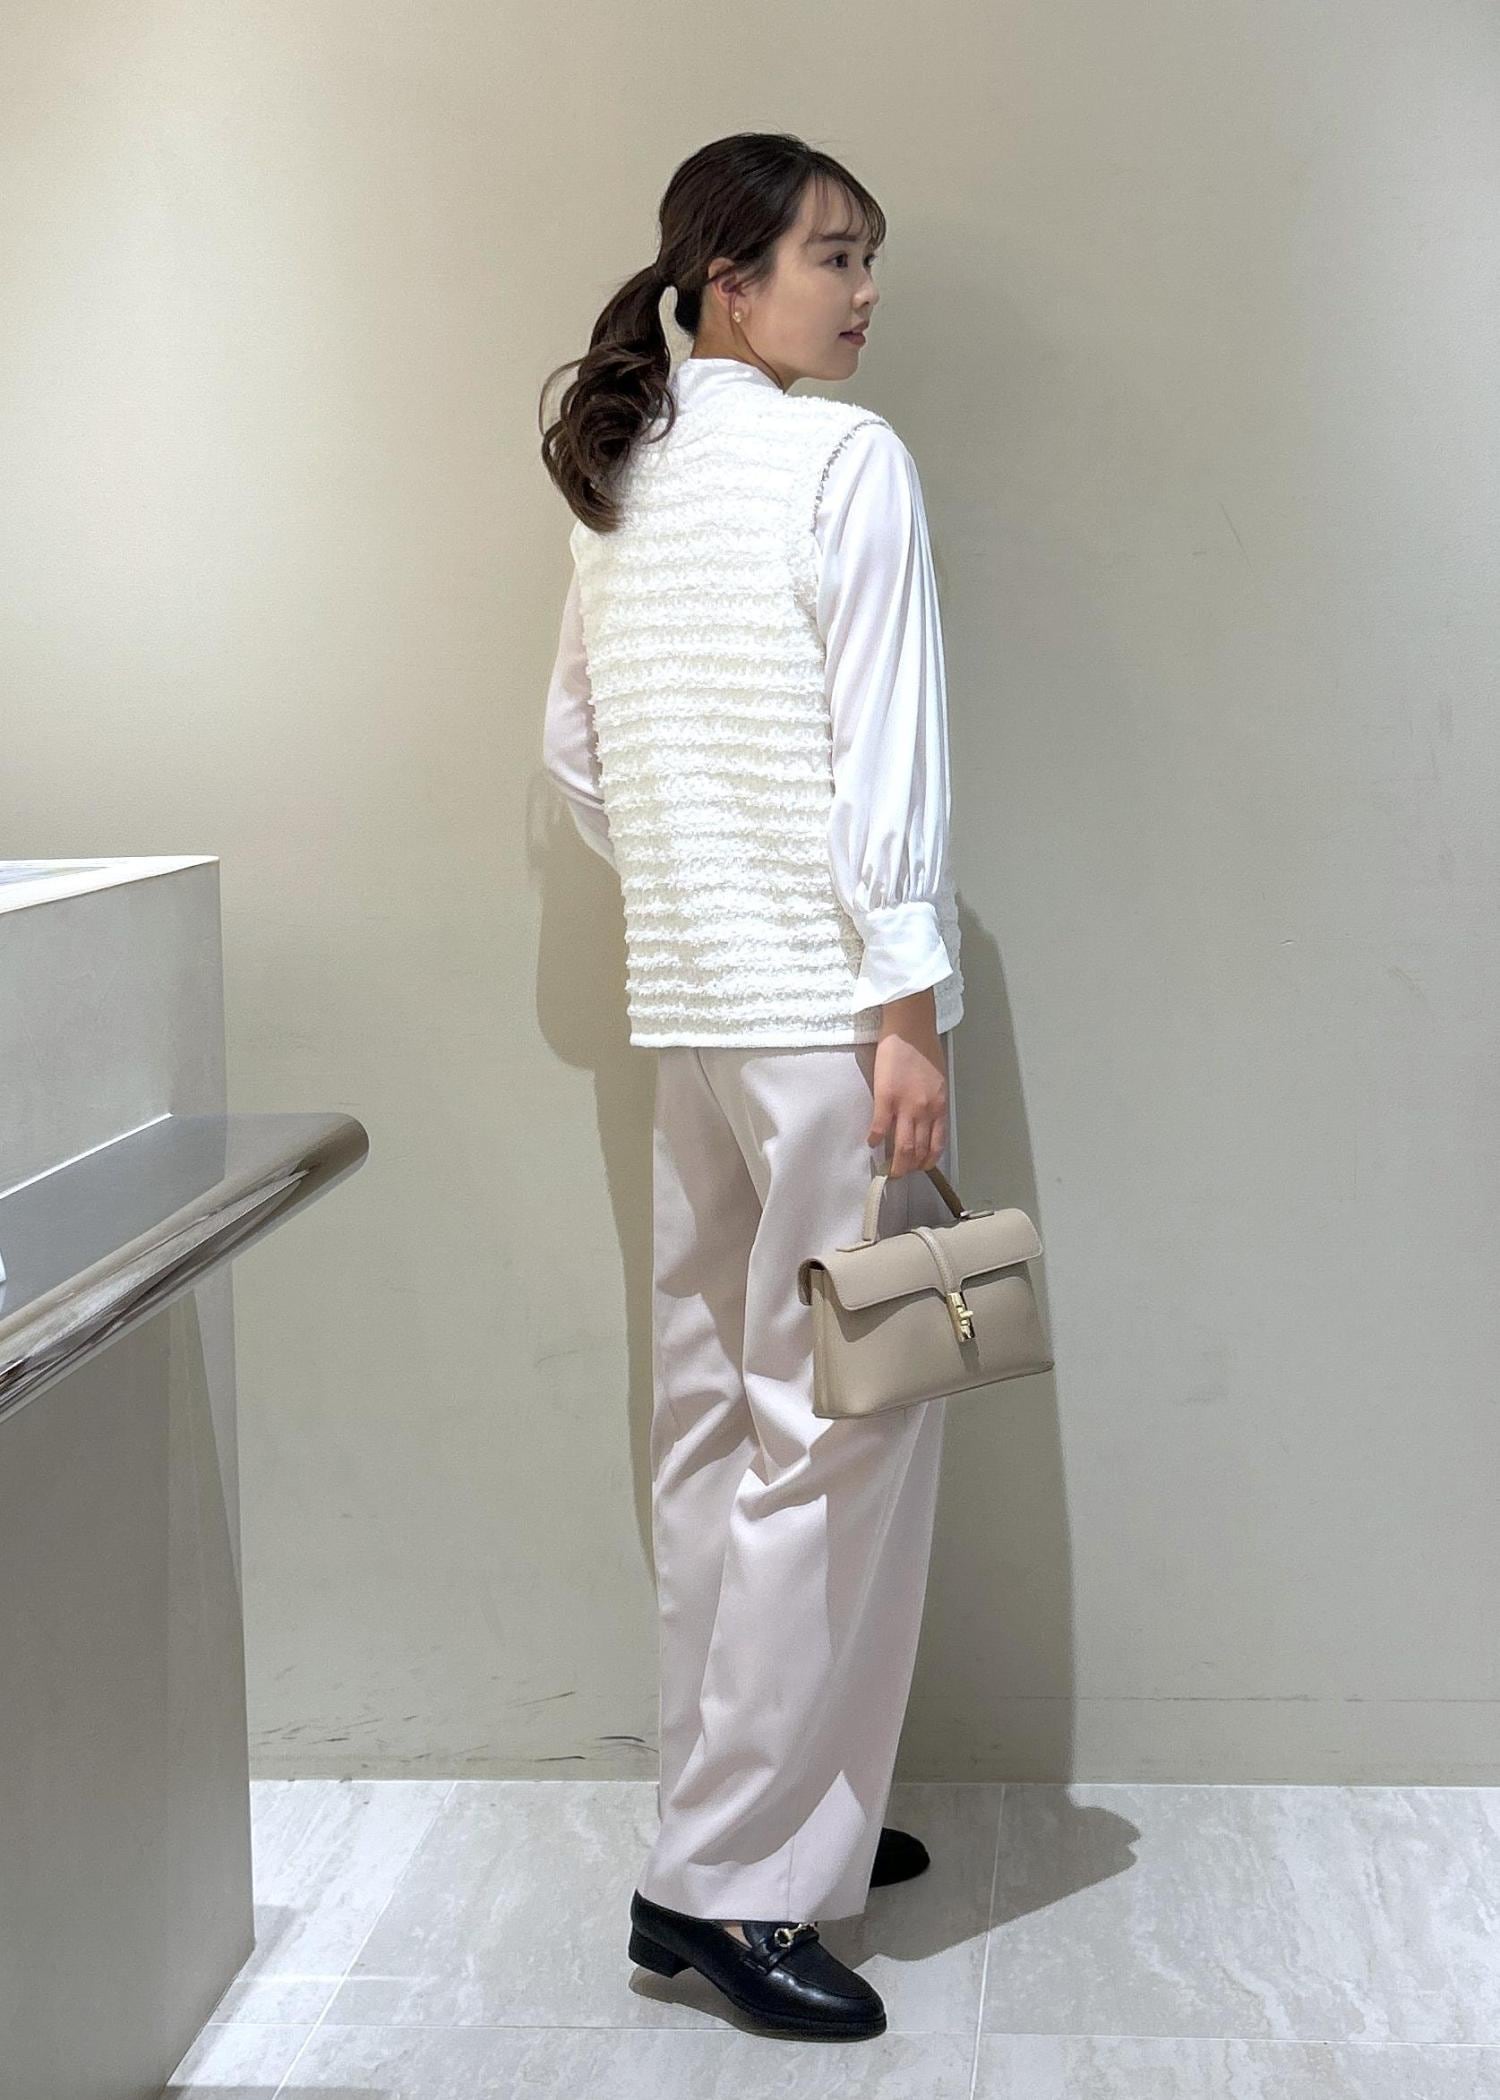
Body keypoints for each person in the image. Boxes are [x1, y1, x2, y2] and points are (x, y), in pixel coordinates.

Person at [538, 131, 964, 2043]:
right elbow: (889, 749)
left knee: (716, 1418)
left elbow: (576, 753)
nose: (864, 293)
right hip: (826, 1013)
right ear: (729, 278)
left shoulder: (623, 478)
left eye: (868, 258)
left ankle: (772, 1813)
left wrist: (700, 880)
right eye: (832, 257)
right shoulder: (844, 462)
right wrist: (907, 1010)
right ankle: (729, 1881)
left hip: (696, 1014)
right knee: (841, 1426)